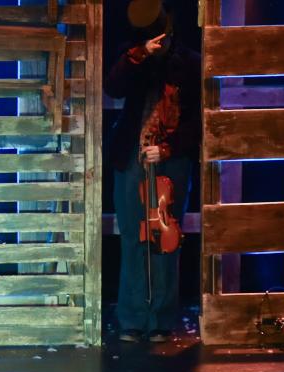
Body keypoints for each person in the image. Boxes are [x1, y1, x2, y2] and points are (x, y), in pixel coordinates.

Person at [105, 0, 200, 343]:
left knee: (165, 239)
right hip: (132, 154)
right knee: (133, 236)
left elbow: (196, 120)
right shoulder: (133, 56)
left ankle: (160, 318)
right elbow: (114, 87)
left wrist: (169, 147)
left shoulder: (188, 62)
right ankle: (131, 317)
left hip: (170, 158)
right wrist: (140, 53)